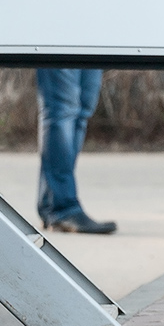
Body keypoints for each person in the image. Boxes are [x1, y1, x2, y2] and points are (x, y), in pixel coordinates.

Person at [36, 68, 116, 234]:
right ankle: (63, 208)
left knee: (82, 109)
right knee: (62, 109)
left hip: (92, 41)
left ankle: (52, 203)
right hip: (58, 42)